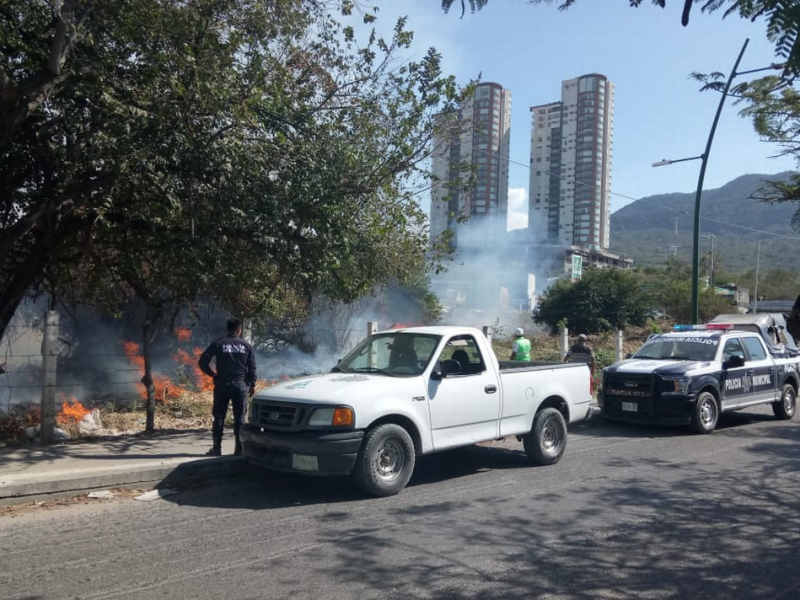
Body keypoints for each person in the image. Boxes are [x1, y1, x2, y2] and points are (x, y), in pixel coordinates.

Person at [198, 318, 257, 456]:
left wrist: (212, 374)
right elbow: (252, 369)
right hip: (240, 386)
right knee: (240, 417)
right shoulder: (246, 346)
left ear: (227, 329)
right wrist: (251, 385)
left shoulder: (219, 343)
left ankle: (216, 448)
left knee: (219, 417)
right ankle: (239, 449)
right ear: (239, 330)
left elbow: (202, 361)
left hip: (222, 385)